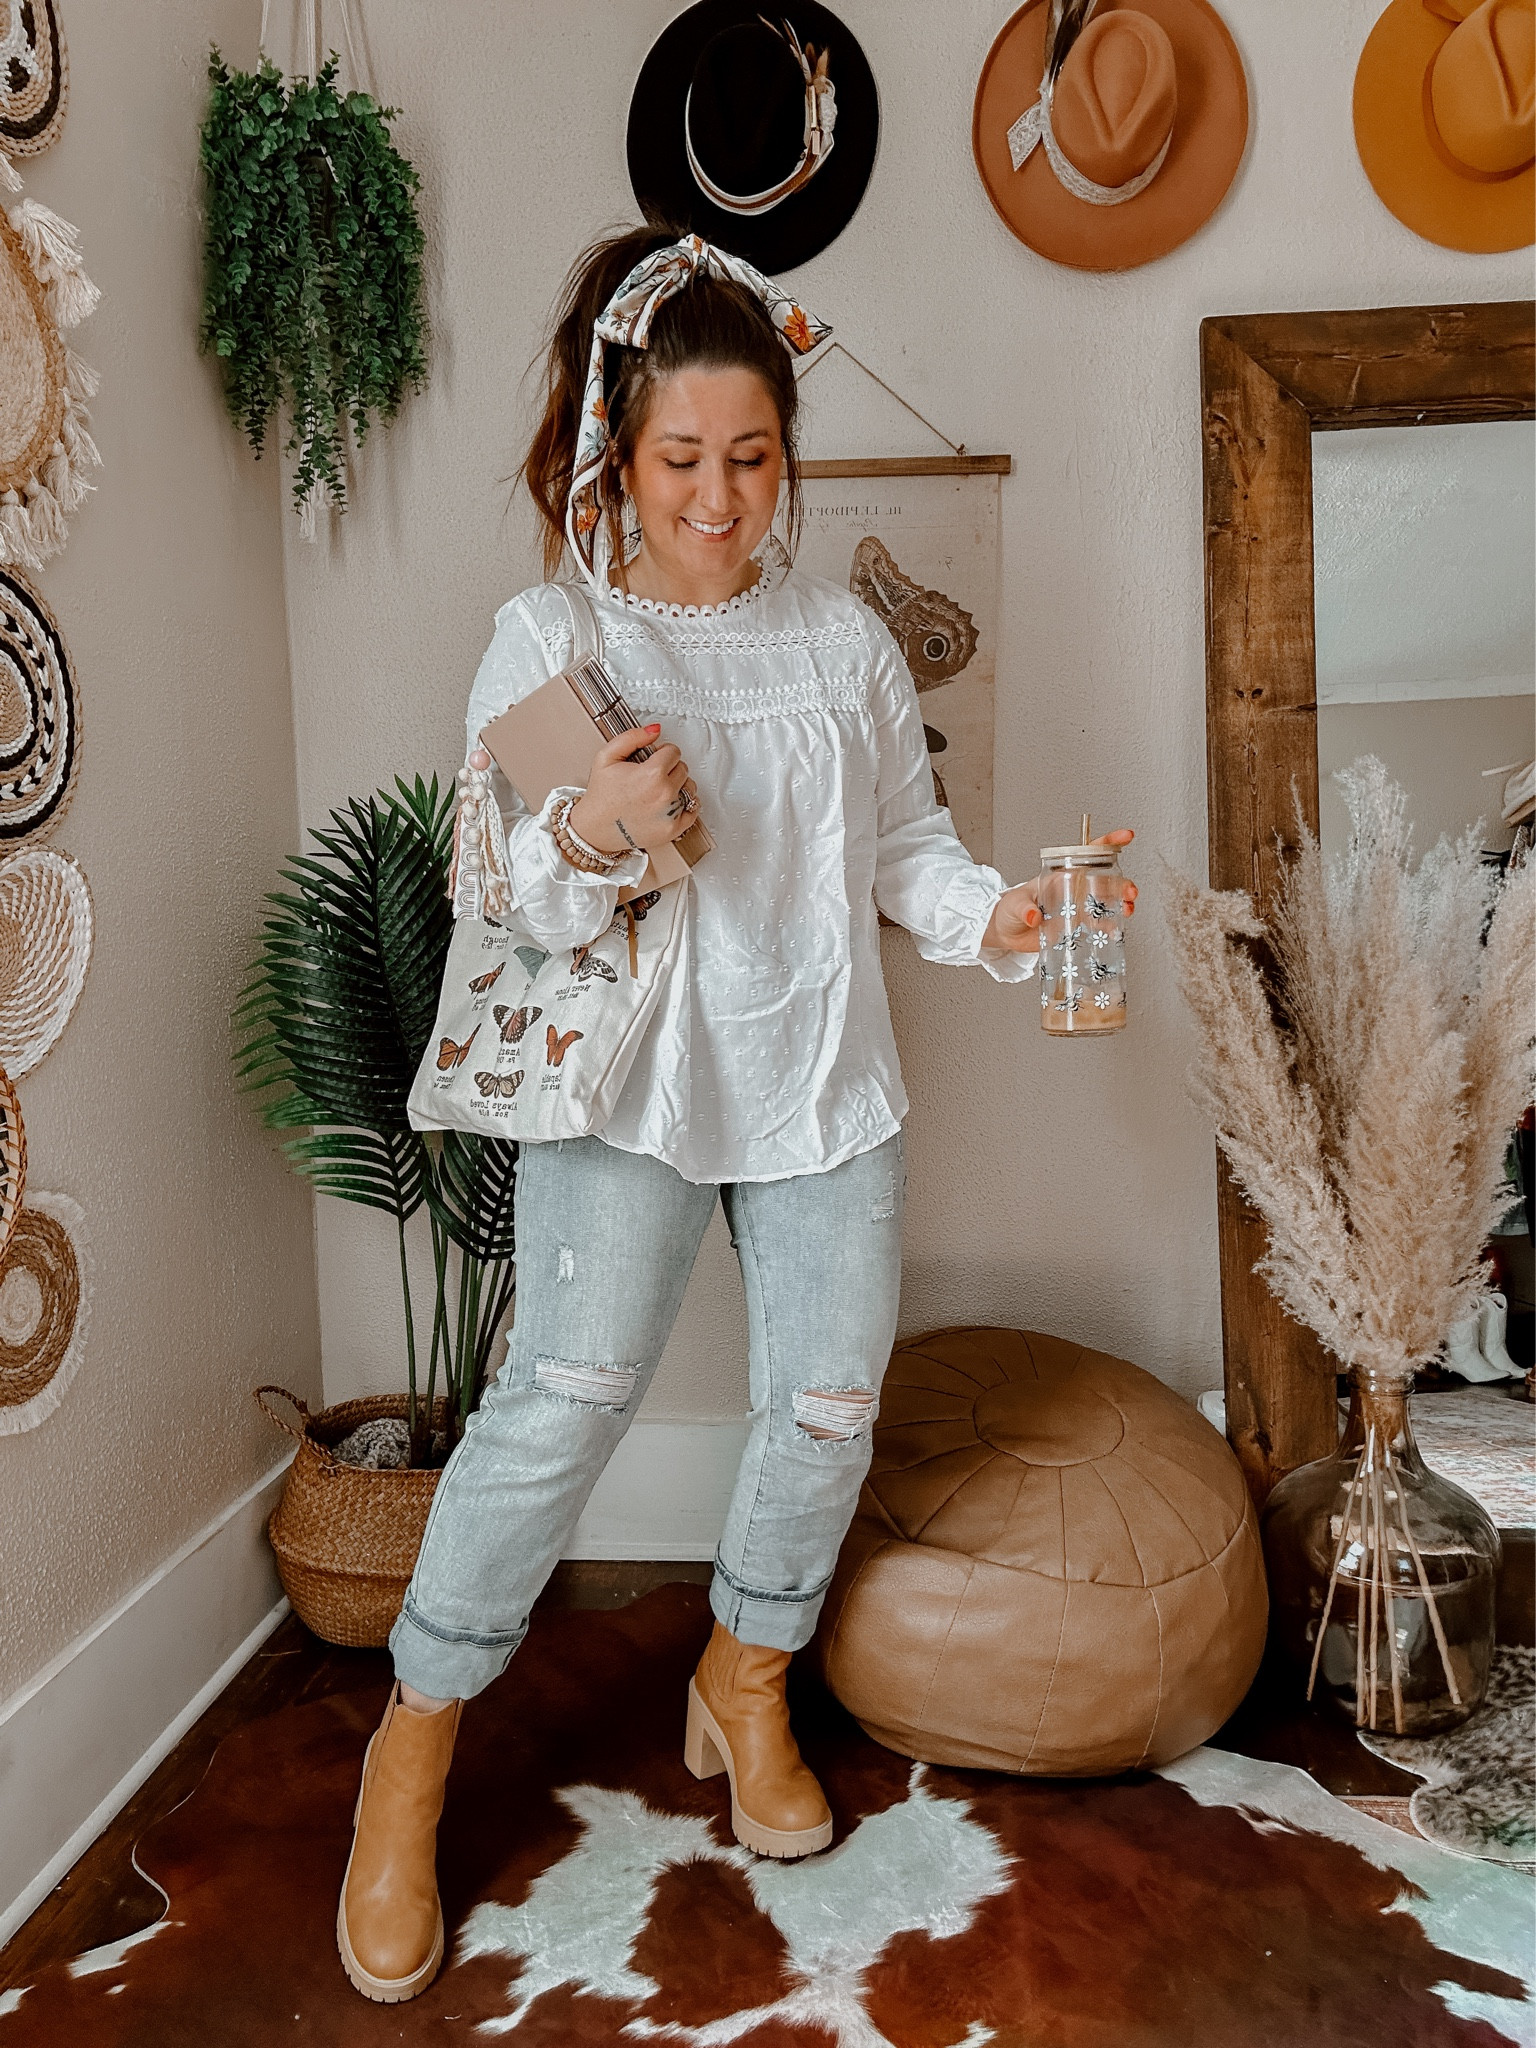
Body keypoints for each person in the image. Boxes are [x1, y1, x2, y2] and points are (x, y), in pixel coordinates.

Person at [336, 226, 1137, 2005]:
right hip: (629, 1089)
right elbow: (502, 896)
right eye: (683, 458)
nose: (718, 497)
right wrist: (596, 827)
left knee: (830, 1410)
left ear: (792, 454)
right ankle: (414, 1740)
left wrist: (1001, 918)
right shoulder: (549, 638)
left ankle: (744, 1681)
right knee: (557, 1407)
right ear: (620, 446)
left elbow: (907, 856)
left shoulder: (846, 641)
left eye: (753, 458)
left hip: (821, 1079)